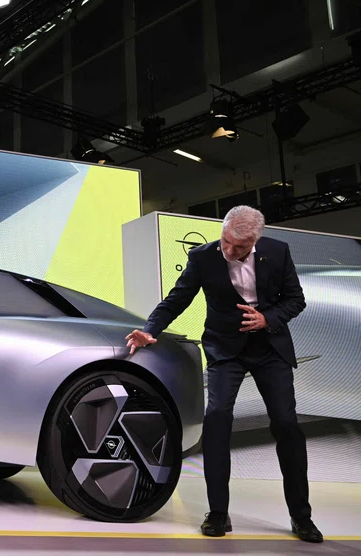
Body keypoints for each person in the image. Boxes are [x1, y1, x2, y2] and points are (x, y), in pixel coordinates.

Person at [125, 205, 322, 543]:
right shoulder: (204, 257)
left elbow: (296, 300)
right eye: (227, 242)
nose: (230, 250)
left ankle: (301, 517)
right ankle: (218, 513)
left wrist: (268, 318)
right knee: (216, 418)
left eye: (239, 247)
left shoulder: (278, 252)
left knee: (287, 425)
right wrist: (150, 329)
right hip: (224, 351)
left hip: (270, 350)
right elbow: (176, 300)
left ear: (255, 240)